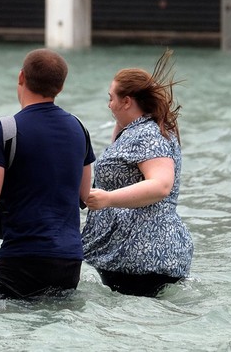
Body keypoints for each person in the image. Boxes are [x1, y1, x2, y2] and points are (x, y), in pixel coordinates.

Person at [0, 48, 96, 301]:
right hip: (70, 258)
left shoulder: (3, 130)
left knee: (2, 330)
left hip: (23, 255)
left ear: (21, 77)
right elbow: (84, 195)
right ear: (61, 87)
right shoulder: (79, 128)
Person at [81, 48, 193, 297]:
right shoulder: (141, 129)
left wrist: (108, 199)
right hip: (138, 256)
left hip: (143, 257)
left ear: (127, 101)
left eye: (111, 98)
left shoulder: (147, 135)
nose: (109, 104)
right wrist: (121, 119)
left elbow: (161, 185)